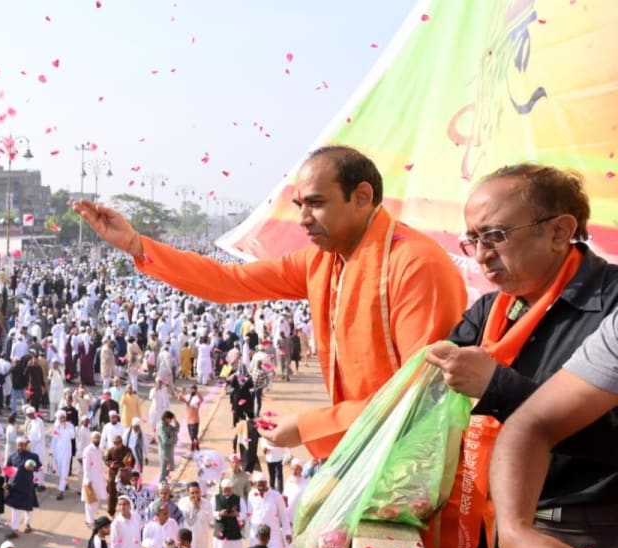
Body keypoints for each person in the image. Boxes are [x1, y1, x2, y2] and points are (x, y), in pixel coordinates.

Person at [75, 145, 468, 458]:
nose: (304, 219)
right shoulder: (324, 262)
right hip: (364, 449)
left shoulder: (416, 265)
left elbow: (423, 394)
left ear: (362, 196)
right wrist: (137, 245)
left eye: (316, 202)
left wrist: (310, 426)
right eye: (300, 206)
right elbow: (229, 281)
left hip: (413, 461)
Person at [421, 164, 618, 548]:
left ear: (560, 230)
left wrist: (498, 388)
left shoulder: (610, 305)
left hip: (593, 538)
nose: (483, 253)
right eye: (473, 239)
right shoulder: (489, 313)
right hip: (507, 532)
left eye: (497, 235)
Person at [486, 306, 618, 548]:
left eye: (496, 241)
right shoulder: (492, 309)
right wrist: (514, 533)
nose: (484, 253)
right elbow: (532, 424)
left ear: (559, 242)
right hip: (557, 546)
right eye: (477, 242)